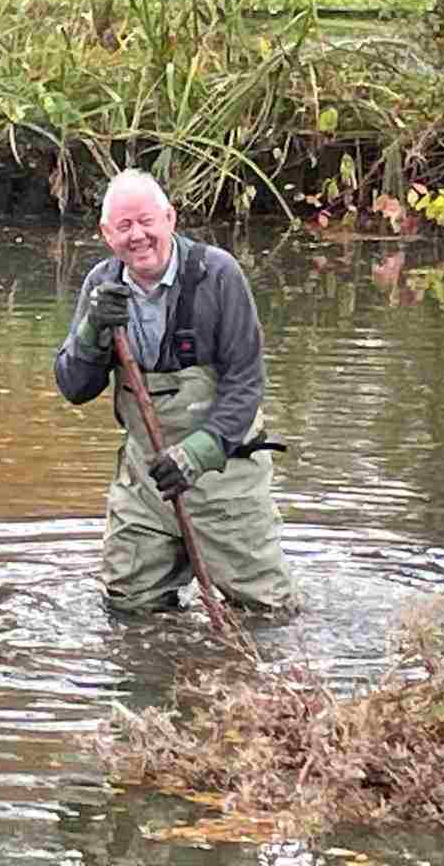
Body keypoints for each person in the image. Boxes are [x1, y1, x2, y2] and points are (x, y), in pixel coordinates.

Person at [54, 169, 296, 613]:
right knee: (128, 609)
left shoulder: (218, 274)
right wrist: (92, 331)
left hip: (224, 478)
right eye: (123, 226)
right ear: (106, 234)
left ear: (170, 217)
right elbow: (74, 387)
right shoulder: (100, 284)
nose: (138, 235)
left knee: (267, 612)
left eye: (146, 220)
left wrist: (195, 456)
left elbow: (246, 383)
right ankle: (158, 673)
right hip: (144, 485)